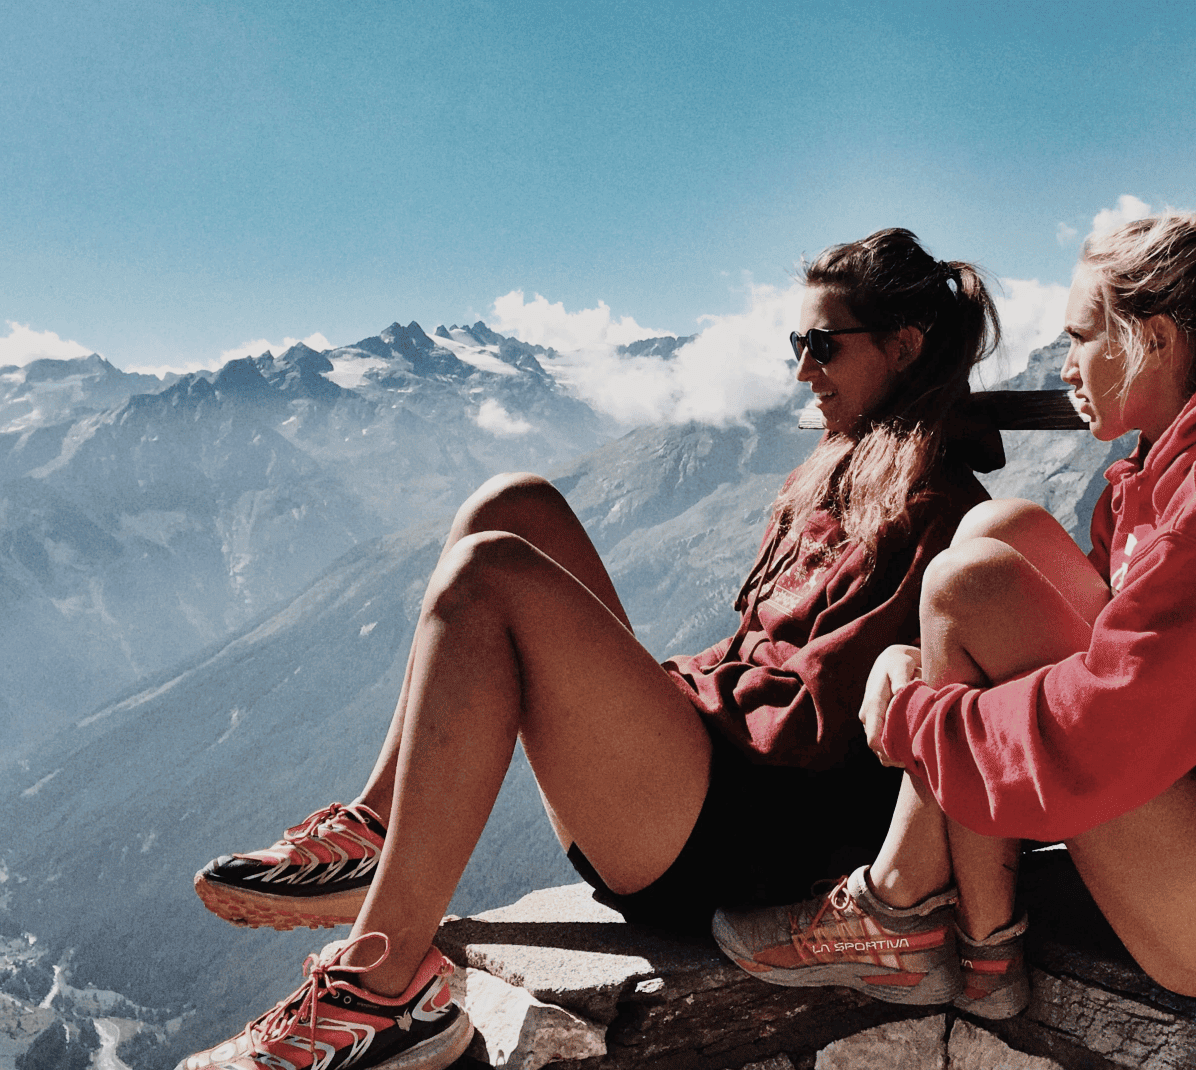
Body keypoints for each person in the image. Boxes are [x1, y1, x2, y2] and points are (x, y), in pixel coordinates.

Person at [178, 228, 1002, 1070]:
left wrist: (675, 693)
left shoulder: (933, 508)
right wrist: (677, 685)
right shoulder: (849, 464)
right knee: (513, 504)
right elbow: (765, 665)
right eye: (798, 344)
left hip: (754, 844)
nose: (801, 370)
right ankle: (376, 836)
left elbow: (814, 731)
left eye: (823, 345)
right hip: (717, 782)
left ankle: (379, 995)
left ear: (904, 346)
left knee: (486, 573)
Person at [715, 181, 1196, 1022]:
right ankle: (983, 947)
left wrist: (915, 718)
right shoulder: (1167, 475)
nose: (1065, 365)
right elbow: (1090, 665)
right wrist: (918, 667)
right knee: (996, 529)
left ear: (1152, 341)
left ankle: (901, 907)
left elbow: (1106, 725)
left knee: (967, 581)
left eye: (1081, 337)